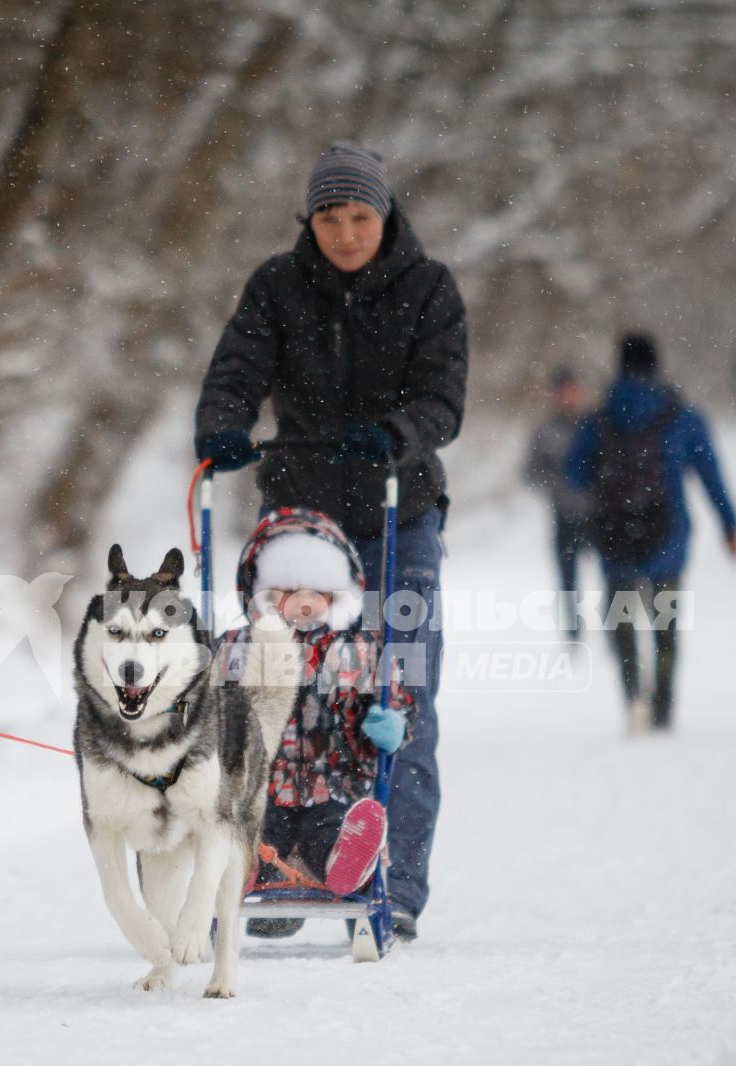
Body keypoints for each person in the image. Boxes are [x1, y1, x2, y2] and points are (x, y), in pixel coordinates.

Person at [195, 141, 467, 941]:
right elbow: (235, 372)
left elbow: (443, 399)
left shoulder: (429, 288)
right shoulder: (277, 287)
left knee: (395, 695)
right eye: (328, 218)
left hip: (396, 515)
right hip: (299, 525)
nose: (345, 234)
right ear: (307, 221)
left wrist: (395, 432)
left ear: (384, 216)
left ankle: (398, 880)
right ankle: (279, 862)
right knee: (274, 693)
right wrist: (223, 426)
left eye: (359, 217)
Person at [219, 509, 412, 938]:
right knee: (254, 832)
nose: (305, 603)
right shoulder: (238, 649)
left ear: (337, 595)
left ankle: (345, 864)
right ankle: (242, 866)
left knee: (332, 831)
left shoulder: (361, 651)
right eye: (290, 590)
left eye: (318, 592)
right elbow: (202, 697)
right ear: (266, 595)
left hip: (335, 785)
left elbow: (398, 700)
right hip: (260, 788)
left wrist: (392, 723)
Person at [565, 332, 736, 733]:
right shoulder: (682, 417)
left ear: (619, 364)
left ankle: (633, 699)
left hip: (615, 540)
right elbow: (712, 476)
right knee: (665, 625)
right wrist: (730, 526)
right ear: (656, 364)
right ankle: (663, 703)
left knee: (622, 623)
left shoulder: (600, 419)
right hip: (669, 536)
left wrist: (605, 483)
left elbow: (573, 473)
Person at [523, 366, 592, 637]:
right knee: (567, 577)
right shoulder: (544, 430)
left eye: (573, 390)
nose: (568, 396)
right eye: (564, 391)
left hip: (597, 514)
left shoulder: (594, 425)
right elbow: (530, 471)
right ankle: (573, 630)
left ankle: (615, 630)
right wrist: (558, 483)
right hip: (563, 513)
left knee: (612, 574)